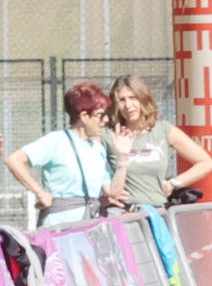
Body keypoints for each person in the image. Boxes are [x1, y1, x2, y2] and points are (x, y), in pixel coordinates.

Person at [5, 82, 130, 227]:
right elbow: (13, 160)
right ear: (84, 116)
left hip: (90, 226)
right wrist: (40, 193)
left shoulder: (97, 148)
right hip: (59, 227)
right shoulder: (56, 141)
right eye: (101, 115)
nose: (106, 120)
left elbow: (112, 192)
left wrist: (123, 157)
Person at [103, 74, 212, 209]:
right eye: (122, 100)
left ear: (143, 98)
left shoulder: (163, 129)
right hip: (125, 215)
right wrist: (105, 194)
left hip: (158, 212)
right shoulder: (108, 135)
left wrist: (174, 183)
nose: (128, 105)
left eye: (133, 98)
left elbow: (206, 163)